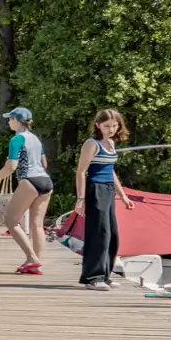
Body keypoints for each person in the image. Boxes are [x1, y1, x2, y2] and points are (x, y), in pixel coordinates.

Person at [73, 108, 135, 290]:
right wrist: (81, 199)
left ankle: (105, 274)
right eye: (107, 126)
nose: (111, 129)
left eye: (115, 126)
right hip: (95, 189)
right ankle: (93, 277)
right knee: (99, 233)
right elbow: (81, 172)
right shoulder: (91, 144)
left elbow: (110, 171)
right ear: (98, 125)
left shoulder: (111, 143)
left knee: (112, 235)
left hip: (108, 190)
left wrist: (122, 195)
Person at [0, 106, 53, 274]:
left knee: (11, 221)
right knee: (37, 225)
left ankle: (32, 258)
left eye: (10, 119)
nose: (9, 122)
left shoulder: (17, 139)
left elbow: (11, 166)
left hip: (29, 180)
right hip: (46, 181)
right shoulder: (36, 139)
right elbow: (44, 163)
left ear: (16, 120)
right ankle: (35, 264)